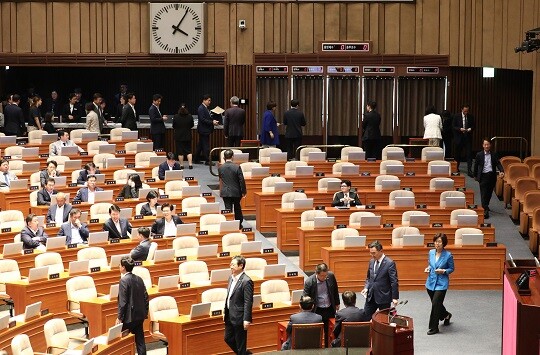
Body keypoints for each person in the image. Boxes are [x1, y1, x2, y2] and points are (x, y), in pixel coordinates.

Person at [116, 256, 149, 355]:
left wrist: (119, 317)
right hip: (139, 315)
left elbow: (123, 302)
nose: (119, 267)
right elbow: (146, 297)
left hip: (128, 318)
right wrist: (144, 312)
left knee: (123, 341)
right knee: (140, 341)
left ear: (123, 268)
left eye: (120, 265)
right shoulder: (139, 279)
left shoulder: (123, 281)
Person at [303, 263, 340, 347]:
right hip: (317, 310)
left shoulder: (330, 276)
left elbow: (335, 290)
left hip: (329, 308)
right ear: (317, 273)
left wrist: (337, 302)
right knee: (316, 332)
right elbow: (305, 297)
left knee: (329, 331)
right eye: (322, 276)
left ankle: (328, 348)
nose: (324, 277)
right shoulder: (309, 281)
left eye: (325, 275)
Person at [425, 233, 454, 335]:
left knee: (435, 304)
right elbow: (430, 264)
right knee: (436, 303)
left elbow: (451, 269)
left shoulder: (448, 255)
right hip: (431, 282)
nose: (437, 244)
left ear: (444, 243)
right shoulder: (431, 252)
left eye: (439, 242)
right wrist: (428, 268)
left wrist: (443, 271)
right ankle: (446, 315)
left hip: (441, 283)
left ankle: (434, 327)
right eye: (436, 241)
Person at [361, 240, 399, 320]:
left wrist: (395, 297)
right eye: (370, 253)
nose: (371, 255)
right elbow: (369, 278)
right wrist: (366, 287)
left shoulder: (390, 263)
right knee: (365, 318)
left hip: (383, 297)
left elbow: (394, 281)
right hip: (371, 296)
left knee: (384, 321)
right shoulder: (371, 262)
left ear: (381, 251)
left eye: (373, 253)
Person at [224, 255, 254, 355]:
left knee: (241, 344)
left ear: (241, 266)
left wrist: (246, 319)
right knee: (228, 338)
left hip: (239, 317)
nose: (230, 266)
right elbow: (229, 296)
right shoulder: (230, 278)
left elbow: (248, 301)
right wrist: (225, 311)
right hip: (229, 315)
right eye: (230, 264)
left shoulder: (247, 281)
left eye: (233, 264)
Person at [473, 139, 504, 219]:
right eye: (485, 144)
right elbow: (476, 166)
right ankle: (485, 210)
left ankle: (486, 205)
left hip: (492, 176)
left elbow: (498, 163)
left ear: (490, 145)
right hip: (483, 176)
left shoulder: (494, 154)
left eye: (488, 144)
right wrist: (475, 175)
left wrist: (502, 170)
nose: (486, 146)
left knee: (489, 193)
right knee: (483, 193)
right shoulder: (479, 155)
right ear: (483, 145)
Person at [219, 149, 247, 225]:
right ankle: (239, 224)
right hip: (236, 192)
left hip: (225, 192)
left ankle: (229, 225)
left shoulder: (220, 168)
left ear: (224, 157)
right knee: (237, 208)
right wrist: (244, 191)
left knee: (228, 209)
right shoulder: (237, 167)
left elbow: (221, 178)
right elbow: (241, 180)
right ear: (232, 157)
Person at [195, 94, 219, 165]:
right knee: (206, 146)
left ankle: (196, 159)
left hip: (204, 129)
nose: (209, 102)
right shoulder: (201, 108)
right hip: (204, 130)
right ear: (204, 100)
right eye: (208, 100)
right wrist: (212, 122)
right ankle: (208, 161)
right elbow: (202, 119)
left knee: (201, 145)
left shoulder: (204, 108)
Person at [453, 105, 475, 176]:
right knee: (457, 154)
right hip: (459, 138)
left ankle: (469, 170)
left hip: (467, 138)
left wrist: (470, 129)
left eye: (467, 111)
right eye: (465, 111)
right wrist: (460, 129)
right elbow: (453, 126)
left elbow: (473, 126)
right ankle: (456, 168)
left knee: (469, 154)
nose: (466, 112)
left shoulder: (471, 116)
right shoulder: (456, 116)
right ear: (461, 109)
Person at [173, 103, 194, 169]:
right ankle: (190, 165)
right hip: (188, 136)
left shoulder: (176, 116)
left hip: (179, 136)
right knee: (189, 151)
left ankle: (181, 165)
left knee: (180, 152)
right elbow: (192, 125)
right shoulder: (190, 116)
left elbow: (174, 126)